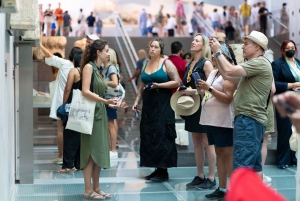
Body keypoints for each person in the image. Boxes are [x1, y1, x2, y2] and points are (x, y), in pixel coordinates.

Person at [209, 30, 273, 178]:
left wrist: (218, 52)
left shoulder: (259, 62)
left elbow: (229, 71)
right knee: (254, 167)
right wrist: (217, 54)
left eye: (246, 44)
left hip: (248, 121)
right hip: (252, 121)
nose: (242, 47)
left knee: (242, 166)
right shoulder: (254, 65)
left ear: (257, 47)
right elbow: (226, 74)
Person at [80, 39, 127, 199]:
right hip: (92, 113)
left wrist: (114, 104)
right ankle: (87, 189)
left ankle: (96, 187)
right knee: (90, 152)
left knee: (99, 151)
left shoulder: (99, 69)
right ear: (98, 52)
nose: (108, 54)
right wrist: (105, 101)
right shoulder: (88, 67)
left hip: (100, 112)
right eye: (106, 51)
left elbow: (101, 93)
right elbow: (85, 91)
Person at [132, 39, 180, 182]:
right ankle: (156, 168)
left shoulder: (166, 63)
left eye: (155, 47)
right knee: (149, 134)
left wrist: (159, 85)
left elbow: (177, 81)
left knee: (162, 133)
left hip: (163, 102)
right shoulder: (146, 64)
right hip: (149, 104)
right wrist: (136, 102)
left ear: (161, 49)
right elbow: (141, 86)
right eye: (150, 46)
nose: (152, 49)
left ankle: (163, 170)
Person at [199, 42, 238, 200]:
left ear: (225, 55)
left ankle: (232, 189)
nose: (213, 57)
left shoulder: (231, 73)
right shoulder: (214, 73)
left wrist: (208, 89)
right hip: (211, 119)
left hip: (224, 120)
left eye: (215, 54)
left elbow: (228, 98)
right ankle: (222, 188)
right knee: (219, 153)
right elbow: (210, 93)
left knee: (227, 155)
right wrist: (203, 90)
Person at [181, 34, 216, 189]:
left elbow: (212, 88)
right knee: (196, 141)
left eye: (197, 40)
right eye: (193, 40)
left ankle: (211, 177)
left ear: (204, 45)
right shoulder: (190, 63)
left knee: (208, 142)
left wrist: (194, 92)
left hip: (205, 105)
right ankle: (200, 175)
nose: (193, 42)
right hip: (192, 107)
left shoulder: (206, 63)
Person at [39, 44, 83, 165]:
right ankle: (74, 157)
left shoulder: (64, 63)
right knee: (74, 130)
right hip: (77, 102)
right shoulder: (82, 69)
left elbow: (49, 55)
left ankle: (61, 156)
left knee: (60, 129)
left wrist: (40, 44)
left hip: (62, 101)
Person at [272, 39, 299, 169]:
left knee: (296, 131)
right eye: (287, 48)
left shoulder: (299, 63)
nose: (290, 50)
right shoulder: (277, 64)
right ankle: (282, 160)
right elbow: (275, 84)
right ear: (282, 50)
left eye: (292, 47)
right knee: (285, 130)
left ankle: (294, 158)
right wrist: (293, 85)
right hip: (284, 100)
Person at [58, 52, 83, 173]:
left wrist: (64, 104)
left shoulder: (74, 71)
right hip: (84, 107)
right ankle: (78, 163)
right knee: (80, 136)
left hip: (72, 105)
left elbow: (68, 88)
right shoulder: (88, 72)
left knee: (69, 135)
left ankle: (67, 165)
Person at [102, 48, 121, 159]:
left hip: (110, 98)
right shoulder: (104, 67)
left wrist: (102, 82)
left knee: (111, 124)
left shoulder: (111, 67)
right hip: (107, 98)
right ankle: (110, 148)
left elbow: (115, 83)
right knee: (109, 124)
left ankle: (113, 150)